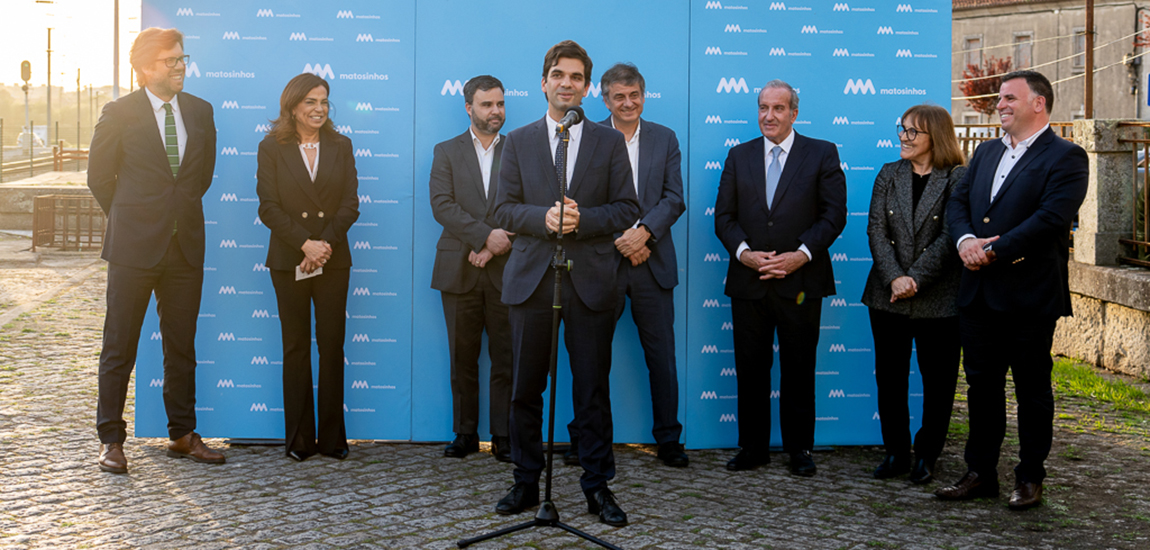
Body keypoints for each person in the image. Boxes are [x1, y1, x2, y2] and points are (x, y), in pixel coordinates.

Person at [492, 40, 639, 526]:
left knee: (592, 390)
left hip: (591, 282)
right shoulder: (517, 141)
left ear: (586, 87)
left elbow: (626, 209)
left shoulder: (609, 141)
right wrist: (545, 218)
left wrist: (582, 220)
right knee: (525, 388)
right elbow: (502, 209)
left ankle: (597, 488)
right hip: (533, 281)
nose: (567, 83)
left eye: (576, 77)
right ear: (544, 82)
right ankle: (526, 481)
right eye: (559, 74)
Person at [937, 70, 1088, 510]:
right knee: (982, 388)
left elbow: (1051, 219)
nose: (999, 104)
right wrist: (965, 242)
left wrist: (995, 251)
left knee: (1032, 390)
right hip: (978, 293)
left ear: (1038, 102)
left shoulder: (1067, 157)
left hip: (1029, 294)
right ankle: (980, 473)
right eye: (999, 98)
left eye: (1008, 98)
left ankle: (1030, 477)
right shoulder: (984, 153)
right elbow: (958, 203)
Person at [89, 27, 223, 473]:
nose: (181, 66)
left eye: (184, 58)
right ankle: (110, 440)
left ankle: (182, 434)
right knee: (119, 346)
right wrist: (133, 218)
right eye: (172, 61)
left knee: (181, 346)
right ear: (147, 68)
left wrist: (171, 217)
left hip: (184, 246)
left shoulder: (201, 112)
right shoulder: (119, 112)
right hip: (132, 248)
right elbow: (98, 177)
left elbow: (199, 178)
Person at [713, 79, 847, 477]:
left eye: (777, 109)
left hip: (800, 283)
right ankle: (752, 448)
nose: (768, 116)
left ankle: (799, 449)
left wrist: (799, 256)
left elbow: (833, 215)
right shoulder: (739, 156)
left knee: (799, 368)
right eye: (762, 108)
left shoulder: (822, 154)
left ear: (794, 113)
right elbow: (724, 217)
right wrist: (745, 255)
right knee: (750, 369)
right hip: (749, 282)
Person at [562, 62, 687, 468]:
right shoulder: (589, 137)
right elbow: (582, 201)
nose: (628, 103)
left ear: (643, 96)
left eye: (635, 95)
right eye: (619, 96)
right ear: (604, 99)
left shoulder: (664, 138)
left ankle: (669, 440)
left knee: (662, 358)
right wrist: (622, 237)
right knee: (591, 357)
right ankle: (586, 439)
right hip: (601, 262)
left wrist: (644, 233)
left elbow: (674, 197)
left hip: (652, 262)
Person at [256, 73, 360, 462]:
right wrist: (304, 243)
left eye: (324, 102)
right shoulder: (271, 147)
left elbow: (351, 203)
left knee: (332, 346)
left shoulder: (342, 145)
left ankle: (333, 440)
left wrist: (323, 246)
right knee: (296, 347)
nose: (319, 109)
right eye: (311, 102)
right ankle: (299, 439)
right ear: (293, 106)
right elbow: (268, 206)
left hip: (332, 259)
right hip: (289, 259)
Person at [861, 104, 966, 484]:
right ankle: (896, 453)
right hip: (886, 295)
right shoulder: (889, 174)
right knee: (890, 378)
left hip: (938, 298)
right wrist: (894, 278)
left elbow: (951, 236)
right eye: (901, 129)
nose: (903, 137)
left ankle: (927, 455)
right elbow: (875, 230)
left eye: (912, 132)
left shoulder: (958, 178)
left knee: (938, 383)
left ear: (934, 137)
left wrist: (915, 279)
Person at [429, 75, 514, 462]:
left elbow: (529, 203)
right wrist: (483, 238)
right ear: (468, 107)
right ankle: (465, 432)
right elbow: (442, 205)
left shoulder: (519, 149)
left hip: (508, 269)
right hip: (459, 267)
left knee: (506, 356)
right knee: (462, 356)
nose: (495, 111)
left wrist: (496, 246)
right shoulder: (445, 151)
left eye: (499, 104)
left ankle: (504, 435)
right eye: (486, 105)